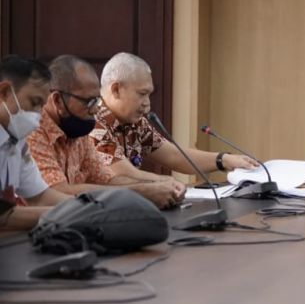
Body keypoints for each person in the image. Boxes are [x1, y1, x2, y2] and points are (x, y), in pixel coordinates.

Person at [26, 55, 183, 209]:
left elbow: (108, 180)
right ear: (58, 101)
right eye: (89, 102)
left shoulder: (78, 130)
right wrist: (143, 192)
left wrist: (158, 185)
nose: (96, 109)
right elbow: (55, 193)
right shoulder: (33, 130)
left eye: (97, 100)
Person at [90, 52, 256, 181]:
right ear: (116, 90)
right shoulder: (93, 122)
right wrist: (167, 183)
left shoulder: (135, 123)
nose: (147, 104)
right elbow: (124, 176)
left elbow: (174, 156)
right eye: (142, 94)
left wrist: (224, 160)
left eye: (149, 95)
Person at [0, 55, 69, 231]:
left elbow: (39, 197)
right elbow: (3, 217)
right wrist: (76, 214)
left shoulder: (16, 142)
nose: (37, 117)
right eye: (34, 102)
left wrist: (91, 206)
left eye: (41, 107)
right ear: (4, 92)